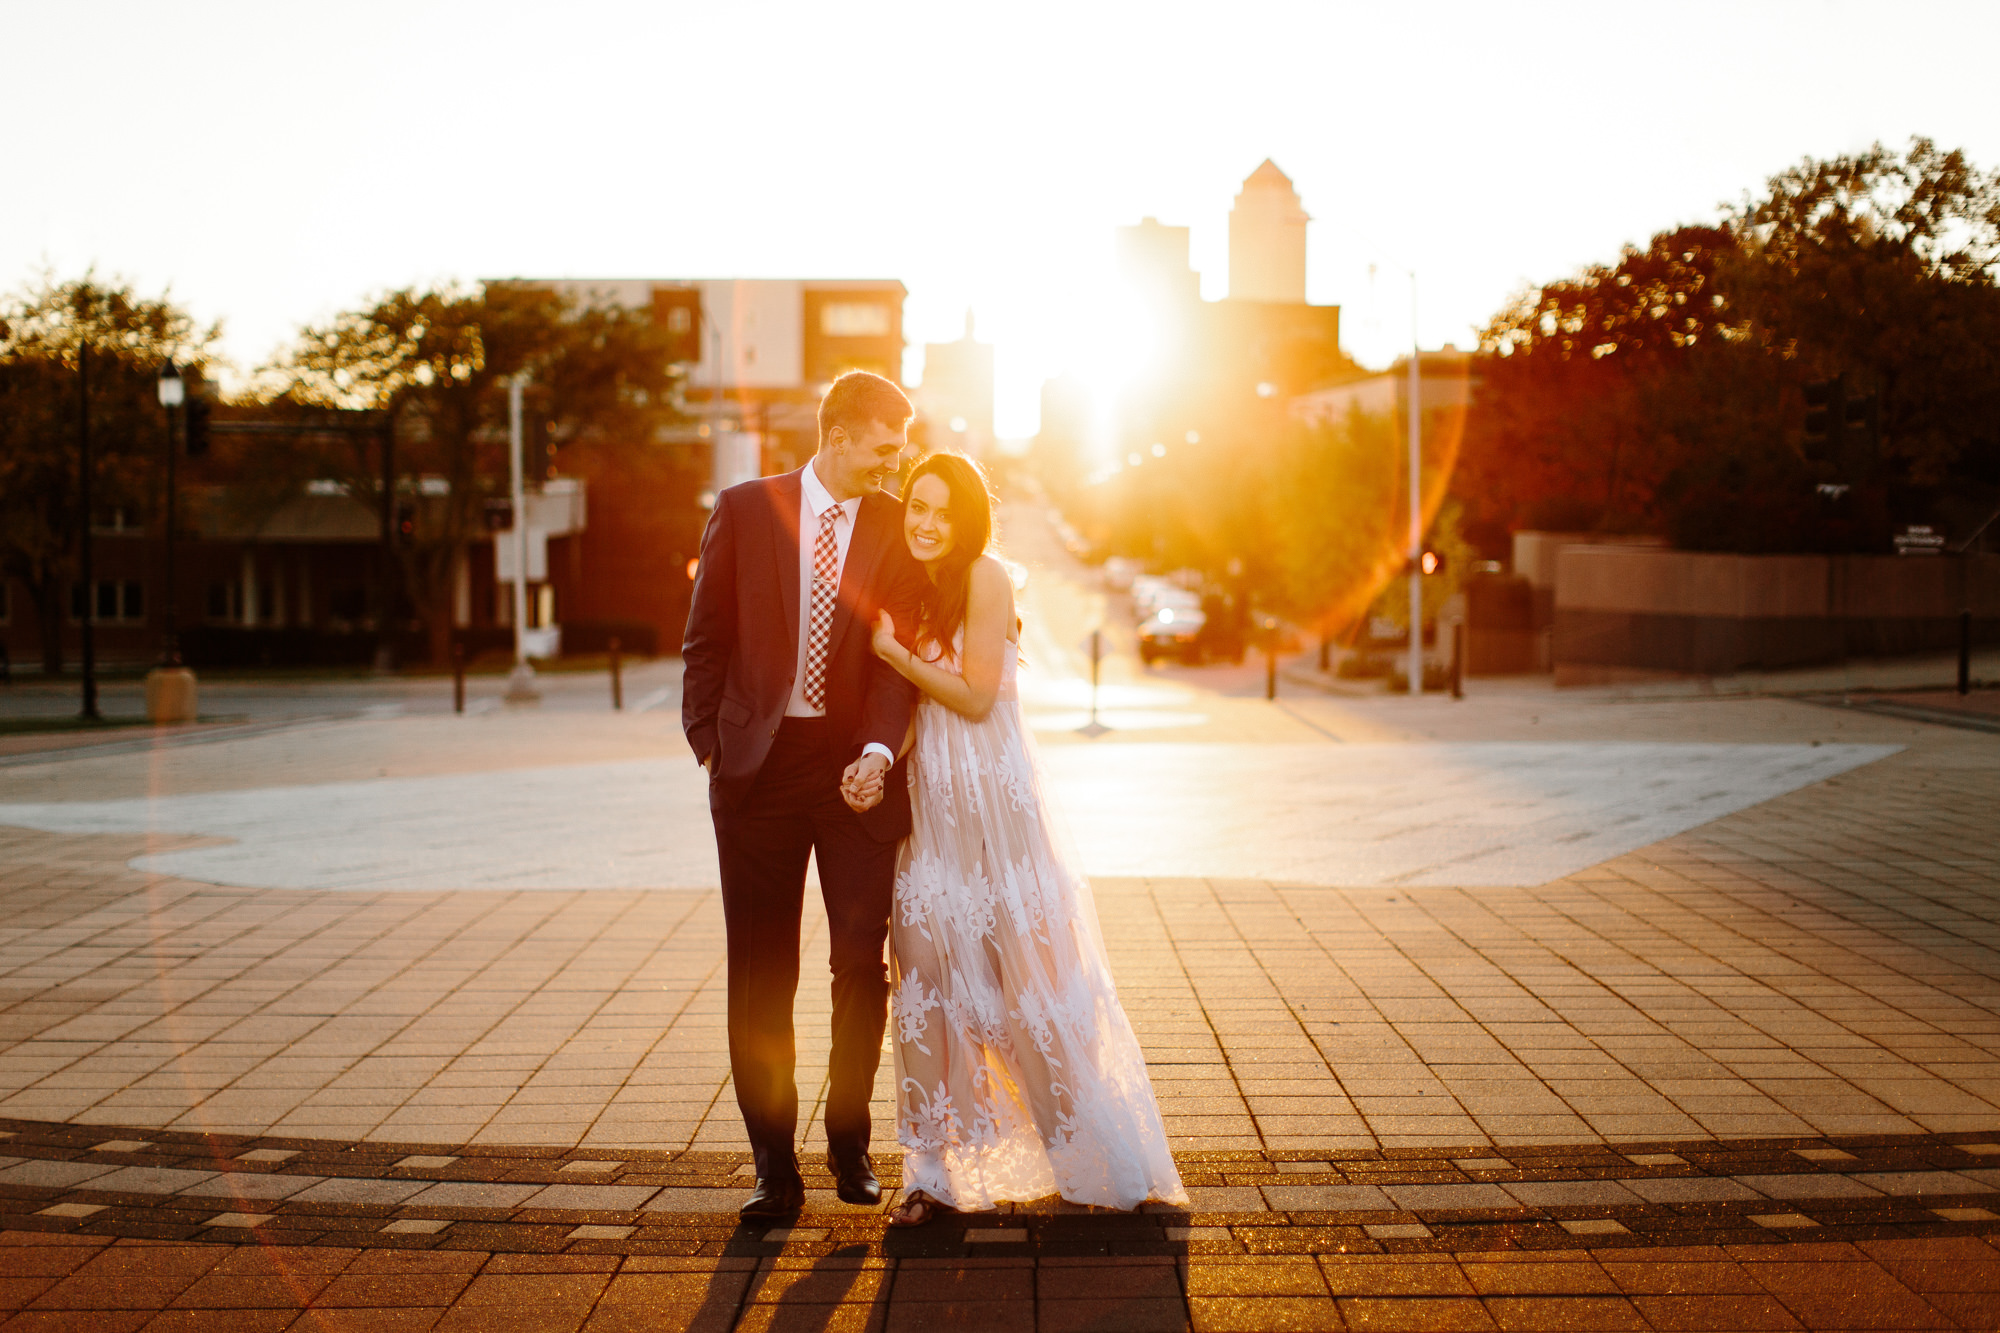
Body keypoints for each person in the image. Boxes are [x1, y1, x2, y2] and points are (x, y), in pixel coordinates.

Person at [843, 453, 1187, 1225]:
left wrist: (897, 653)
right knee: (925, 979)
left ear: (967, 519)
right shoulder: (908, 580)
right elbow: (909, 712)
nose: (926, 524)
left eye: (941, 511)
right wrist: (875, 759)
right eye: (916, 509)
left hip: (997, 808)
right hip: (934, 811)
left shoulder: (989, 576)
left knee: (1028, 981)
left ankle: (1082, 1154)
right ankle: (931, 1174)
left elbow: (969, 695)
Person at [681, 371, 929, 1219]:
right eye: (886, 451)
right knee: (761, 973)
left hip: (853, 772)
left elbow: (897, 663)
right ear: (843, 435)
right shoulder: (747, 510)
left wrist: (875, 751)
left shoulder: (894, 527)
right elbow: (705, 638)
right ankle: (772, 1165)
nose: (895, 468)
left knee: (860, 959)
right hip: (756, 770)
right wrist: (712, 747)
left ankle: (849, 1136)